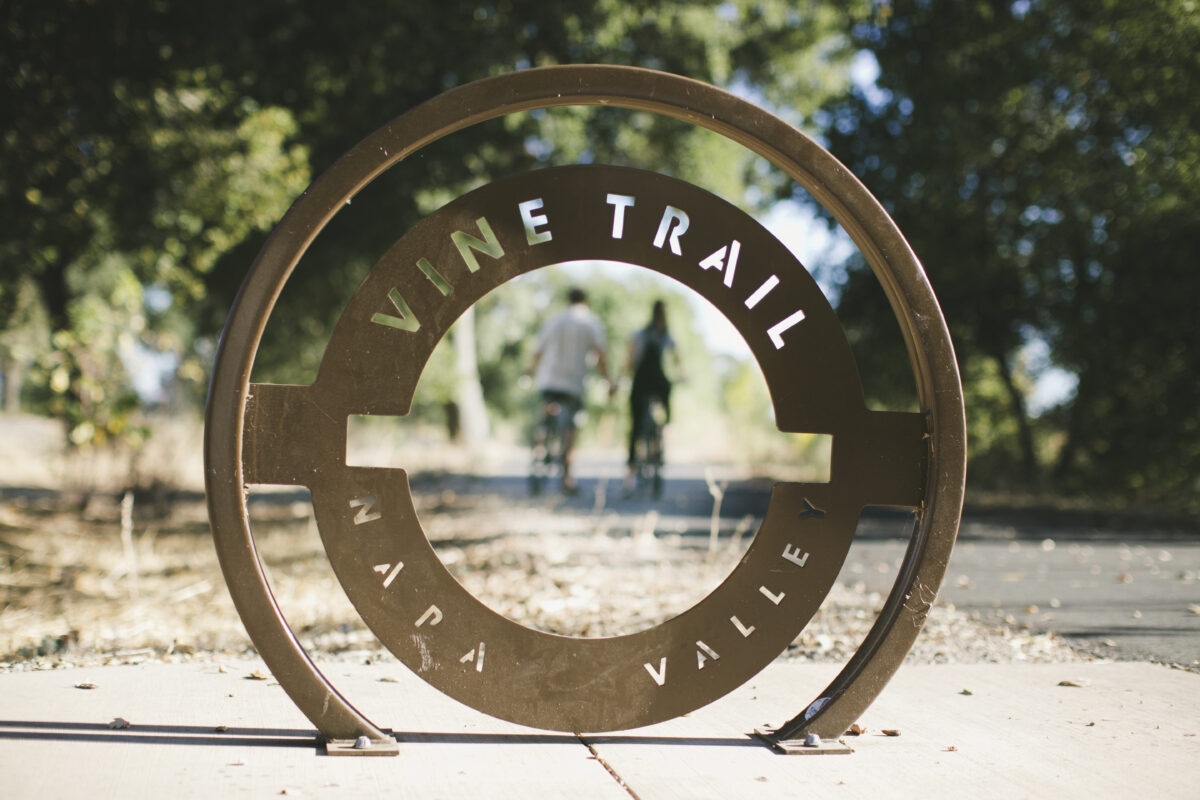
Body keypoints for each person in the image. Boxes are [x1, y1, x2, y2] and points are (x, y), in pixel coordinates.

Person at [528, 287, 613, 493]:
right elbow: (600, 354)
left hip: (549, 380)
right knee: (569, 429)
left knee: (545, 411)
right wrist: (607, 380)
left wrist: (530, 371)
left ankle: (539, 448)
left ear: (568, 300)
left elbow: (538, 350)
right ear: (585, 301)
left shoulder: (554, 320)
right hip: (573, 384)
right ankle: (566, 479)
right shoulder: (590, 322)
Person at [625, 299, 681, 491]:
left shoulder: (640, 334)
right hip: (659, 385)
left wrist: (625, 374)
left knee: (635, 428)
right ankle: (664, 431)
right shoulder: (667, 336)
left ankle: (630, 476)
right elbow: (678, 362)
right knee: (665, 414)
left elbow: (630, 362)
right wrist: (682, 376)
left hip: (640, 384)